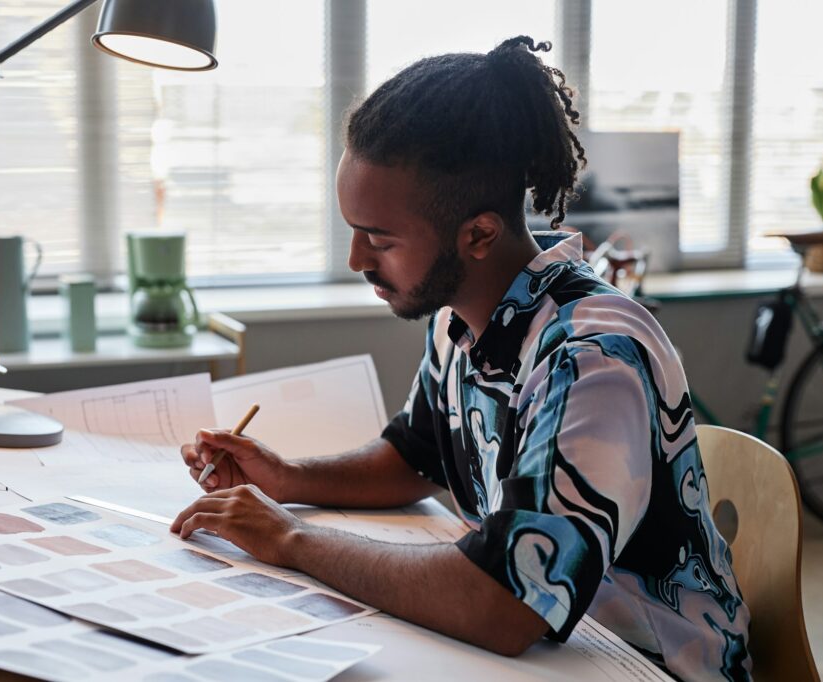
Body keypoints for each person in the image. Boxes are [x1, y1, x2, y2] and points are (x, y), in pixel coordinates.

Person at [171, 36, 752, 681]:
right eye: (353, 231)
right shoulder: (461, 320)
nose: (357, 260)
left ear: (478, 234)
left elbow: (505, 604)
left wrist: (290, 539)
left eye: (380, 240)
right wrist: (287, 479)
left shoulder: (592, 360)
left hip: (644, 667)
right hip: (554, 652)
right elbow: (414, 456)